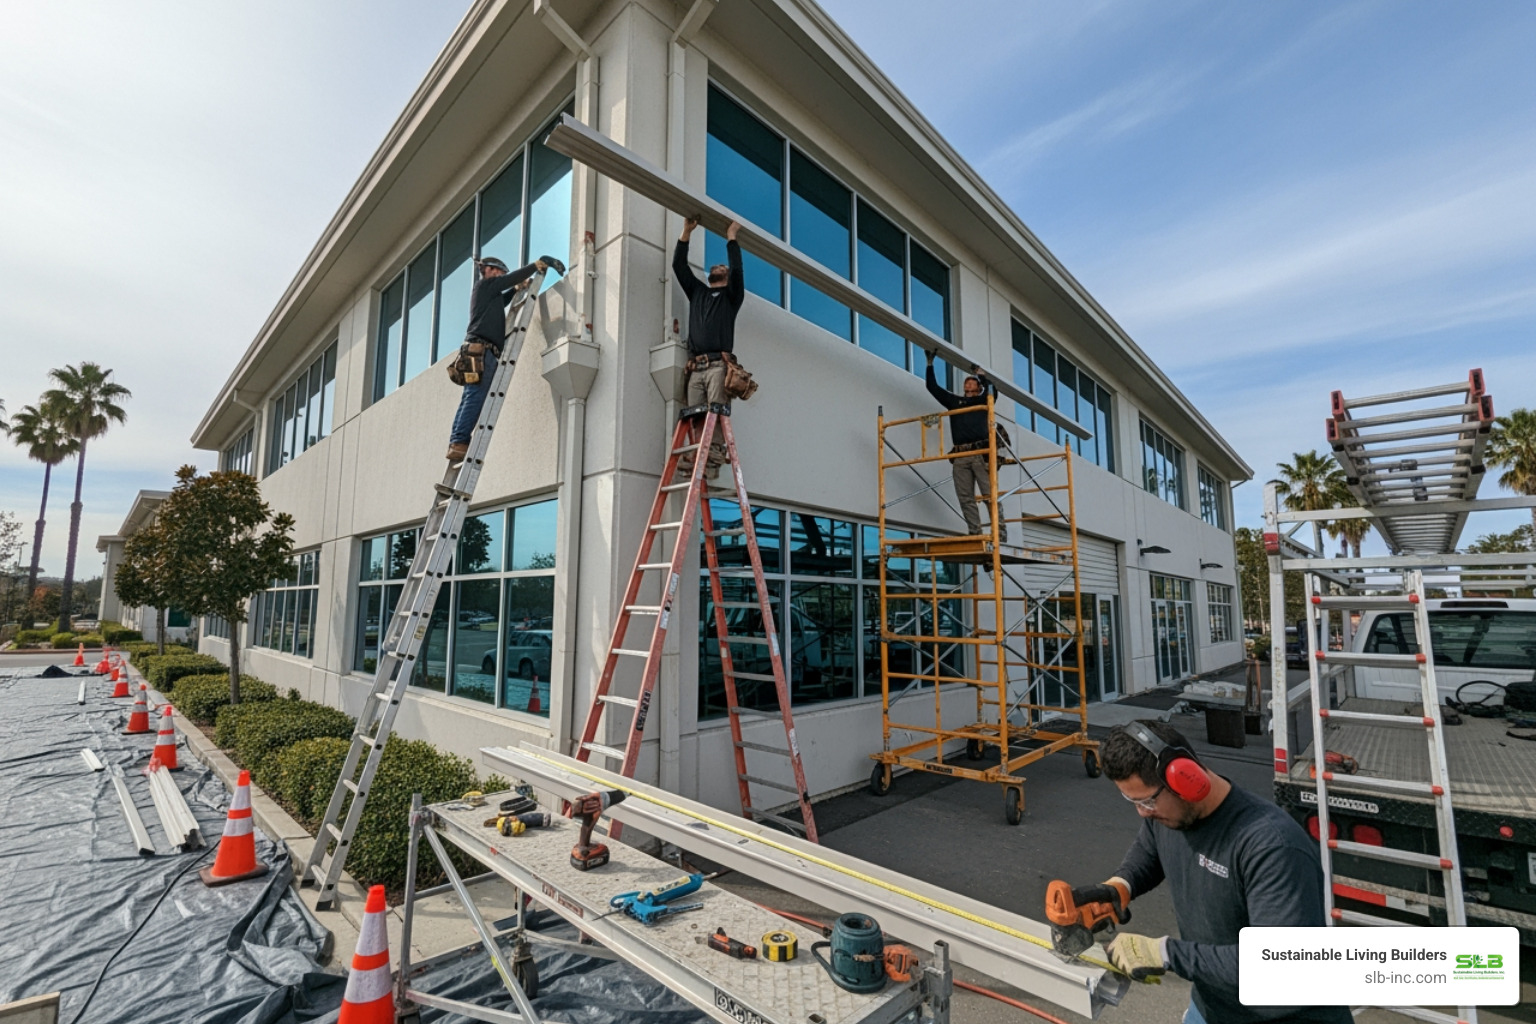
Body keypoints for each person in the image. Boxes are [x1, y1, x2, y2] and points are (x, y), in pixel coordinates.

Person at [1071, 720, 1350, 1024]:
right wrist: (1120, 887)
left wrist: (1164, 952)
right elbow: (1150, 850)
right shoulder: (1168, 817)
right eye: (1133, 801)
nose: (1142, 812)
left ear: (1185, 778)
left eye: (1147, 800)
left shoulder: (1272, 846)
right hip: (1211, 1008)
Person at [446, 255, 554, 463]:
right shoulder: (484, 285)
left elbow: (501, 300)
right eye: (498, 272)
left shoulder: (488, 293)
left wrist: (514, 291)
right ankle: (459, 441)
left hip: (477, 351)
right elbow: (507, 281)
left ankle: (457, 441)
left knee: (470, 396)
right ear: (488, 270)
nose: (500, 276)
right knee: (475, 396)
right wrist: (535, 266)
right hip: (481, 351)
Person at [673, 216, 744, 476]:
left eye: (722, 266)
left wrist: (732, 237)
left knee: (716, 413)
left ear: (726, 275)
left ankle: (711, 456)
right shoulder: (698, 292)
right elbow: (679, 266)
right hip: (696, 366)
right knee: (696, 416)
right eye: (715, 266)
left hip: (717, 365)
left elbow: (738, 271)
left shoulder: (731, 297)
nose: (718, 266)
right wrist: (686, 232)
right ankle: (699, 456)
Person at [923, 351, 1005, 542]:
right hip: (960, 455)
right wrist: (929, 364)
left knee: (989, 495)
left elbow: (993, 391)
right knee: (965, 497)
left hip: (980, 453)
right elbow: (933, 388)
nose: (968, 383)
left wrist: (981, 374)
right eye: (966, 382)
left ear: (978, 387)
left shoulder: (983, 401)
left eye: (972, 382)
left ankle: (999, 533)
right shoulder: (955, 402)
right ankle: (975, 533)